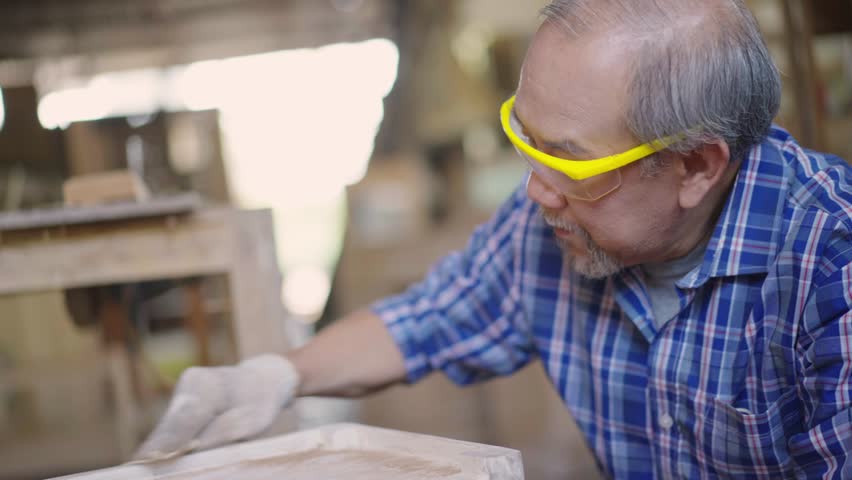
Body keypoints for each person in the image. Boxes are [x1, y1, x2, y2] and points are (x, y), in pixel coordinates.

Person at [135, 0, 852, 477]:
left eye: (567, 157)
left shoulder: (830, 262)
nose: (536, 187)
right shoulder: (554, 218)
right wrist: (275, 375)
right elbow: (428, 320)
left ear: (695, 166)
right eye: (526, 139)